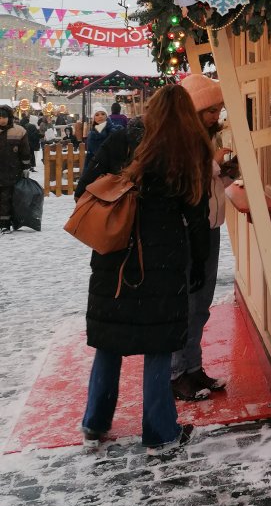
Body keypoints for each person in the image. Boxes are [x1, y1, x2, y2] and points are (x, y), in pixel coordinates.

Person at [81, 84, 212, 455]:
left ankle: (95, 421)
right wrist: (198, 261)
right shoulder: (191, 147)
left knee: (110, 340)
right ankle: (160, 432)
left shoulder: (121, 140)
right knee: (158, 343)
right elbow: (197, 214)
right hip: (165, 258)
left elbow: (83, 188)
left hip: (115, 255)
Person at [170, 74, 235, 402]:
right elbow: (186, 178)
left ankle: (193, 367)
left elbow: (209, 185)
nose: (216, 115)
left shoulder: (204, 138)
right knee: (187, 304)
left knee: (201, 305)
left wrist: (225, 174)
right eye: (211, 109)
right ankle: (178, 372)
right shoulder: (181, 139)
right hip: (187, 231)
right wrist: (215, 164)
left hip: (208, 228)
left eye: (219, 109)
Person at [0, 105, 34, 231]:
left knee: (7, 197)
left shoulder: (19, 131)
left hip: (12, 170)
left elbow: (25, 151)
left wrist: (26, 166)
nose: (2, 120)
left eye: (4, 117)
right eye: (0, 117)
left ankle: (4, 224)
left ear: (9, 117)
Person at [82, 104, 114, 170]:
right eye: (97, 115)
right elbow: (93, 154)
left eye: (102, 114)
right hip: (97, 168)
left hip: (113, 166)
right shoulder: (93, 135)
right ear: (94, 119)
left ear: (106, 116)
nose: (100, 116)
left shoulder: (114, 130)